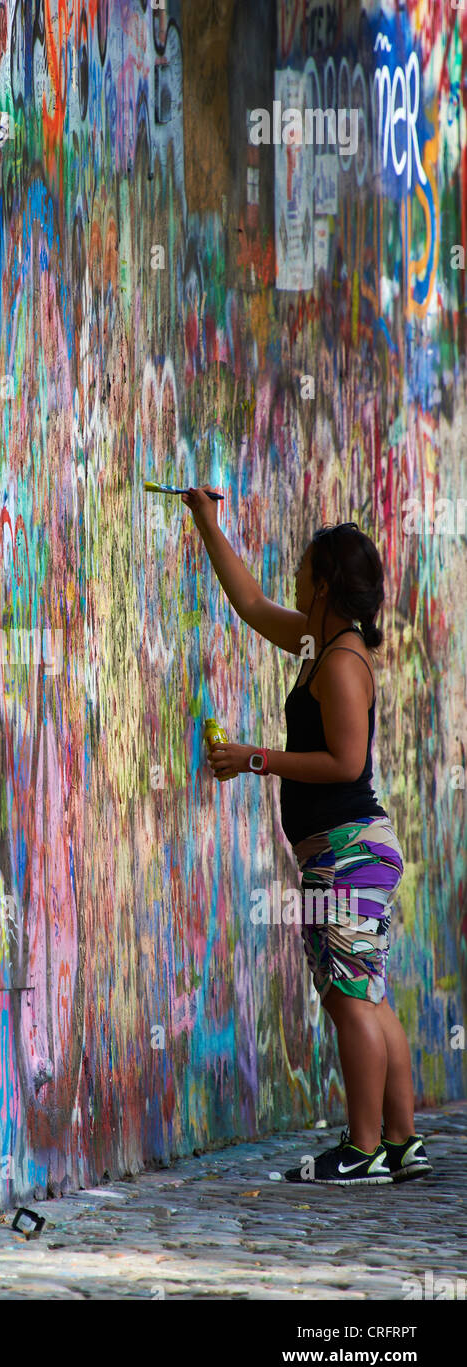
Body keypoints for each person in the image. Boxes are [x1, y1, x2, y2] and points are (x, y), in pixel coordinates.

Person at [181, 486, 431, 1186]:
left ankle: (362, 1149)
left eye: (301, 571)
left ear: (323, 587)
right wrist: (207, 522)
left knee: (350, 999)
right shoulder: (320, 642)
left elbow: (346, 763)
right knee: (364, 993)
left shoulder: (343, 663)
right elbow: (253, 605)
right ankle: (402, 1141)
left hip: (348, 851)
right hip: (343, 853)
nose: (291, 579)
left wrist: (255, 758)